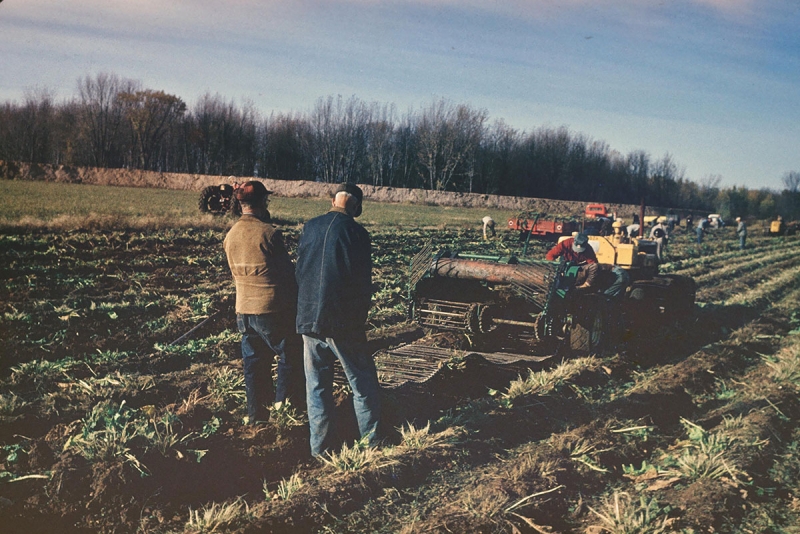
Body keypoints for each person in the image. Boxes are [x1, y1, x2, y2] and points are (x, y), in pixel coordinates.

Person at [295, 183, 381, 458]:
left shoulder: (310, 226)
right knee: (363, 385)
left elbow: (300, 271)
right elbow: (362, 283)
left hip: (308, 318)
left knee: (317, 387)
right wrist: (358, 320)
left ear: (333, 200)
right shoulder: (356, 233)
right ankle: (372, 446)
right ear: (355, 206)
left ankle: (319, 450)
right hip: (341, 322)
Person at [223, 181, 304, 425]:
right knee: (290, 355)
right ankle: (283, 412)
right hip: (271, 309)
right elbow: (286, 273)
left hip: (243, 310)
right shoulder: (269, 233)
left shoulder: (231, 234)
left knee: (254, 363)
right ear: (262, 202)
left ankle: (257, 416)